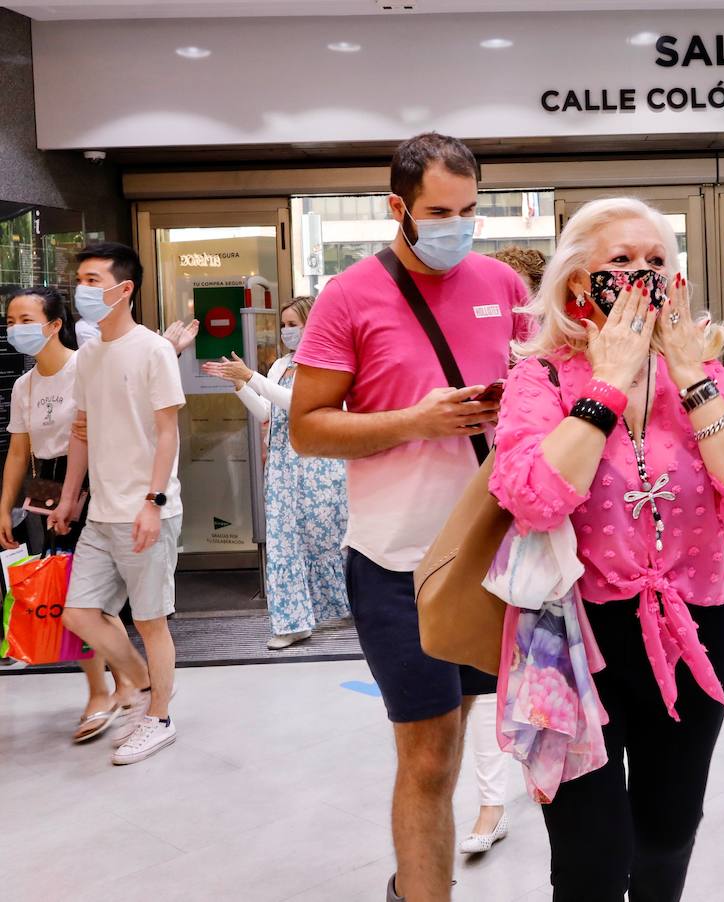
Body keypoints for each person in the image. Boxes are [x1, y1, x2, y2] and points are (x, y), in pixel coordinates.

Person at [490, 196, 724, 901]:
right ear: (575, 284)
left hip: (695, 630)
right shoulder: (541, 377)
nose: (640, 275)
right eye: (620, 261)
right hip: (571, 640)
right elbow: (533, 495)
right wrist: (605, 386)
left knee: (666, 834)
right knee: (591, 854)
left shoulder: (701, 373)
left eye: (656, 262)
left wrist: (691, 378)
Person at [290, 132, 528, 902]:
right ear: (396, 207)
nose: (455, 225)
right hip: (398, 563)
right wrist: (413, 421)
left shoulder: (501, 283)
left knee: (487, 737)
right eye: (438, 211)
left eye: (468, 210)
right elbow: (307, 426)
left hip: (499, 556)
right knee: (427, 753)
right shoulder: (349, 295)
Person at [50, 241, 185, 767]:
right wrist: (69, 497)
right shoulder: (89, 355)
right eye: (79, 280)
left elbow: (168, 431)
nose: (81, 290)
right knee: (80, 614)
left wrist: (152, 502)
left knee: (151, 620)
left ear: (123, 289)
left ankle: (159, 718)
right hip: (100, 514)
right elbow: (81, 430)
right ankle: (142, 682)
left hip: (144, 510)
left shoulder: (151, 349)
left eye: (91, 280)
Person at [1, 286, 135, 743]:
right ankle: (116, 684)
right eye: (11, 320)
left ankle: (112, 687)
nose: (15, 328)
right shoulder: (25, 384)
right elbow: (20, 451)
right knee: (66, 592)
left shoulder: (86, 367)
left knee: (88, 595)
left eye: (25, 319)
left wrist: (75, 495)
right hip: (44, 489)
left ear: (56, 324)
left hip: (90, 486)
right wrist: (7, 506)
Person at [455, 243, 548, 856]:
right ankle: (491, 803)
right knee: (481, 672)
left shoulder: (556, 364)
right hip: (483, 521)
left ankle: (535, 787)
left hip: (541, 535)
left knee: (540, 667)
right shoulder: (478, 353)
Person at [200, 297, 349, 651]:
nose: (286, 331)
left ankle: (335, 607)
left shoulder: (328, 362)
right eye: (284, 324)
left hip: (320, 466)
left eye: (293, 323)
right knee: (284, 545)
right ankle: (292, 622)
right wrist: (240, 386)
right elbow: (267, 409)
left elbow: (297, 402)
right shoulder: (281, 364)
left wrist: (250, 376)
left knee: (325, 540)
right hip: (284, 466)